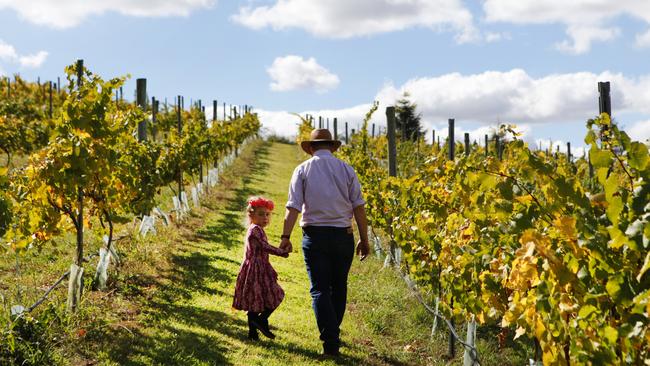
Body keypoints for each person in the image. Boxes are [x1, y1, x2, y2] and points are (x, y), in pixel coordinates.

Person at [280, 128, 370, 357]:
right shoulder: (347, 170)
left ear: (310, 148)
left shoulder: (302, 170)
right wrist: (364, 239)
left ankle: (331, 342)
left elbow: (293, 207)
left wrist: (285, 237)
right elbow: (358, 207)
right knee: (338, 287)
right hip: (343, 236)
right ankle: (333, 332)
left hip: (315, 236)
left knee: (320, 289)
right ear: (332, 147)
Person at [233, 196, 289, 340]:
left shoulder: (257, 229)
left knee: (256, 301)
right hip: (255, 270)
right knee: (276, 294)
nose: (265, 217)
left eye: (267, 214)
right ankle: (261, 321)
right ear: (251, 215)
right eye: (261, 214)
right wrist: (282, 252)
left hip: (259, 268)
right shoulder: (255, 230)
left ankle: (254, 332)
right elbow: (265, 247)